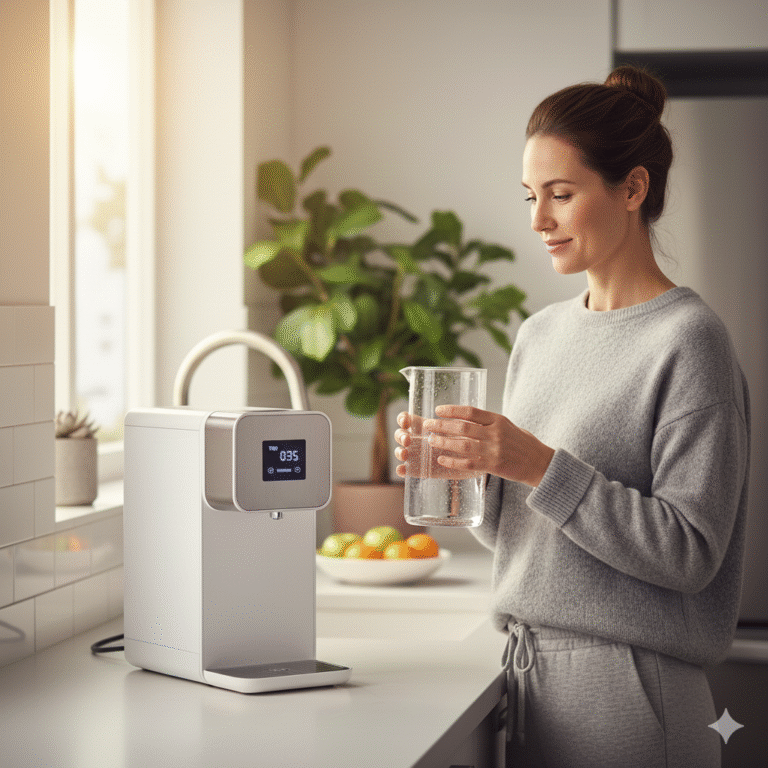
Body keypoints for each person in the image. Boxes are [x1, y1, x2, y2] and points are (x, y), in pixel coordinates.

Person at [394, 65, 750, 768]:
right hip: (529, 679)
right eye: (531, 196)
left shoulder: (688, 341)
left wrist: (535, 462)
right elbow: (522, 536)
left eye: (561, 194)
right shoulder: (540, 334)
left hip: (635, 696)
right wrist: (468, 472)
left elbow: (690, 553)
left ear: (633, 189)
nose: (538, 220)